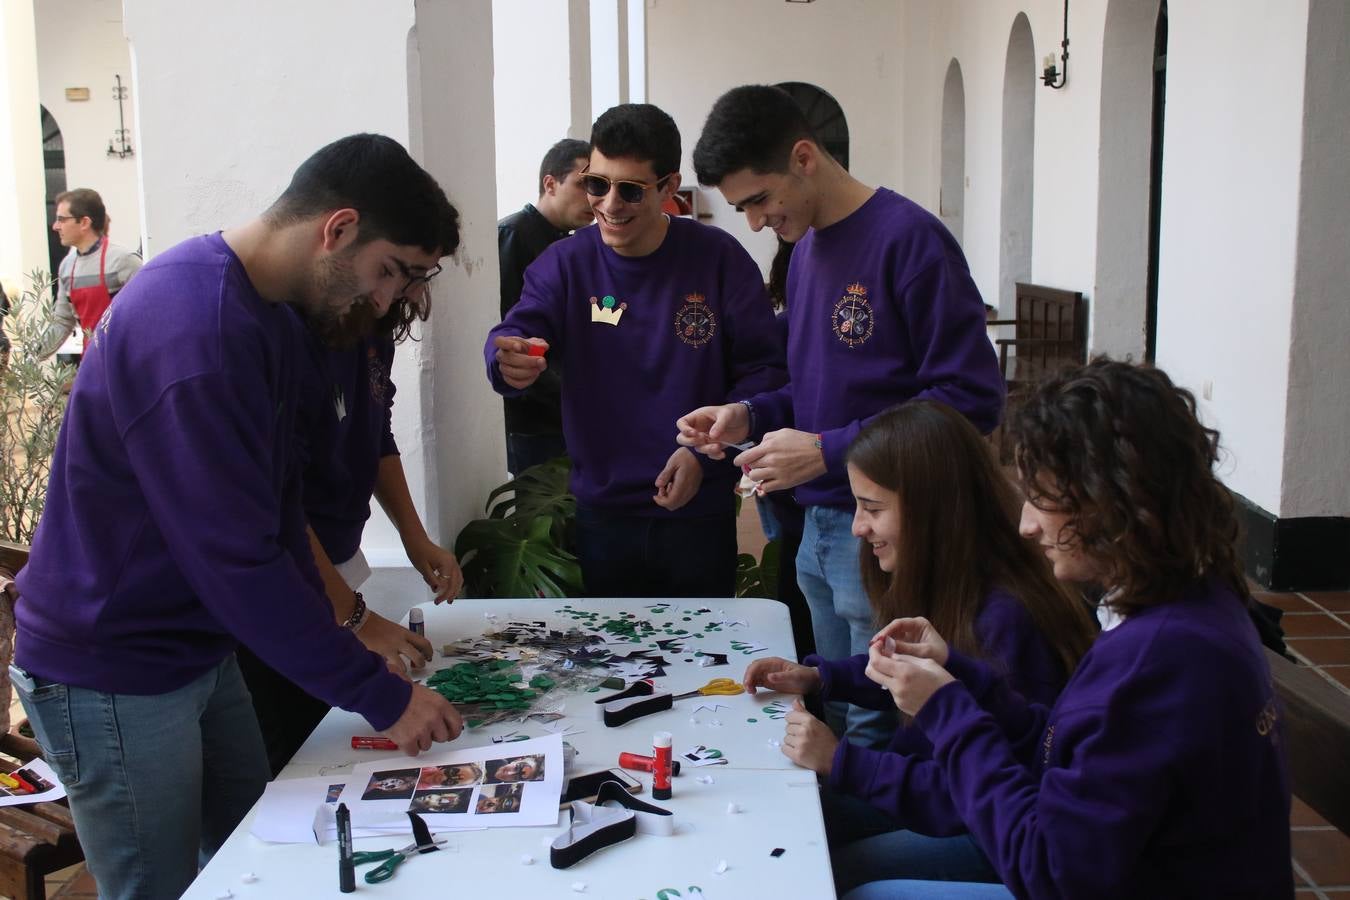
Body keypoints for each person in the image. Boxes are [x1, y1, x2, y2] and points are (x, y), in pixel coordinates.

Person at [11, 134, 465, 900]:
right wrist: (380, 694)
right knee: (156, 887)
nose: (386, 301)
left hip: (196, 646)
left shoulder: (272, 314)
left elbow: (281, 503)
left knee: (254, 857)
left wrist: (351, 636)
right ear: (338, 228)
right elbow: (237, 559)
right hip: (114, 662)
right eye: (388, 271)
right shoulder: (195, 327)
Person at [854, 359, 1293, 899]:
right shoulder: (1181, 602)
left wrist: (947, 711)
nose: (1026, 523)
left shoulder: (1160, 662)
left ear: (1110, 503)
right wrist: (962, 678)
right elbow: (1067, 748)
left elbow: (1049, 872)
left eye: (1042, 498)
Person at [678, 85, 1004, 748]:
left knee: (890, 724)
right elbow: (815, 388)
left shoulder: (909, 240)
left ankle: (885, 852)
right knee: (843, 707)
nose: (755, 222)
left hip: (895, 530)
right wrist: (745, 415)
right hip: (821, 528)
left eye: (760, 200)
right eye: (742, 208)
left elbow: (971, 398)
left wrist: (829, 450)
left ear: (803, 157)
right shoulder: (807, 254)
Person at [743, 400, 1095, 895]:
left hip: (990, 834)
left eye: (872, 508)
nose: (857, 528)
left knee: (829, 873)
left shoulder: (1009, 621)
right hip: (947, 795)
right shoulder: (946, 579)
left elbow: (979, 791)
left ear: (932, 511)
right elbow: (913, 679)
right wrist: (823, 678)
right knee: (797, 818)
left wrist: (844, 762)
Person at [485, 104, 785, 598]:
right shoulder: (565, 263)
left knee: (701, 661)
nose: (609, 203)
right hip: (603, 513)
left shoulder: (718, 260)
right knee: (617, 666)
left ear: (669, 187)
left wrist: (705, 458)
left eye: (630, 190)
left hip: (699, 511)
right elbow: (520, 327)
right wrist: (506, 358)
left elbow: (764, 370)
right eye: (596, 185)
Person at [239, 270, 467, 774]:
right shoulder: (289, 337)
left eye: (417, 275)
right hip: (291, 582)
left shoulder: (373, 324)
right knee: (299, 759)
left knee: (329, 742)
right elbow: (282, 506)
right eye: (398, 269)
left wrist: (414, 536)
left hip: (337, 563)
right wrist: (354, 618)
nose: (402, 292)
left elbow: (377, 431)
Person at [498, 138, 595, 475]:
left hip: (566, 413)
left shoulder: (569, 243)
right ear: (550, 183)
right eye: (584, 184)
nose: (594, 197)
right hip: (533, 418)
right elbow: (509, 332)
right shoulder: (514, 235)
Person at [37, 188, 143, 360]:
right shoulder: (67, 267)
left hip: (126, 361)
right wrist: (30, 357)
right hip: (91, 362)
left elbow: (147, 313)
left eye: (62, 219)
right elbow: (63, 322)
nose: (55, 226)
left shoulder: (124, 261)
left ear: (84, 222)